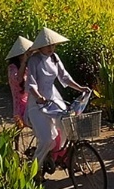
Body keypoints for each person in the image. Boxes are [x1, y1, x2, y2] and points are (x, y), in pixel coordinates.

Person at [24, 27, 91, 170]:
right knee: (47, 140)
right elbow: (31, 83)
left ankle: (63, 157)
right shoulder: (33, 60)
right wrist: (39, 97)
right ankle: (34, 170)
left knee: (69, 126)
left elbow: (64, 77)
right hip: (37, 102)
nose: (51, 48)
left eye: (53, 45)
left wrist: (80, 88)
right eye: (48, 45)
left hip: (53, 99)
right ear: (40, 46)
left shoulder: (54, 57)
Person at [5, 35, 33, 128]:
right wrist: (24, 62)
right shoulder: (12, 68)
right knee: (19, 127)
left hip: (30, 100)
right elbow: (18, 79)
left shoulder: (28, 65)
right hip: (19, 104)